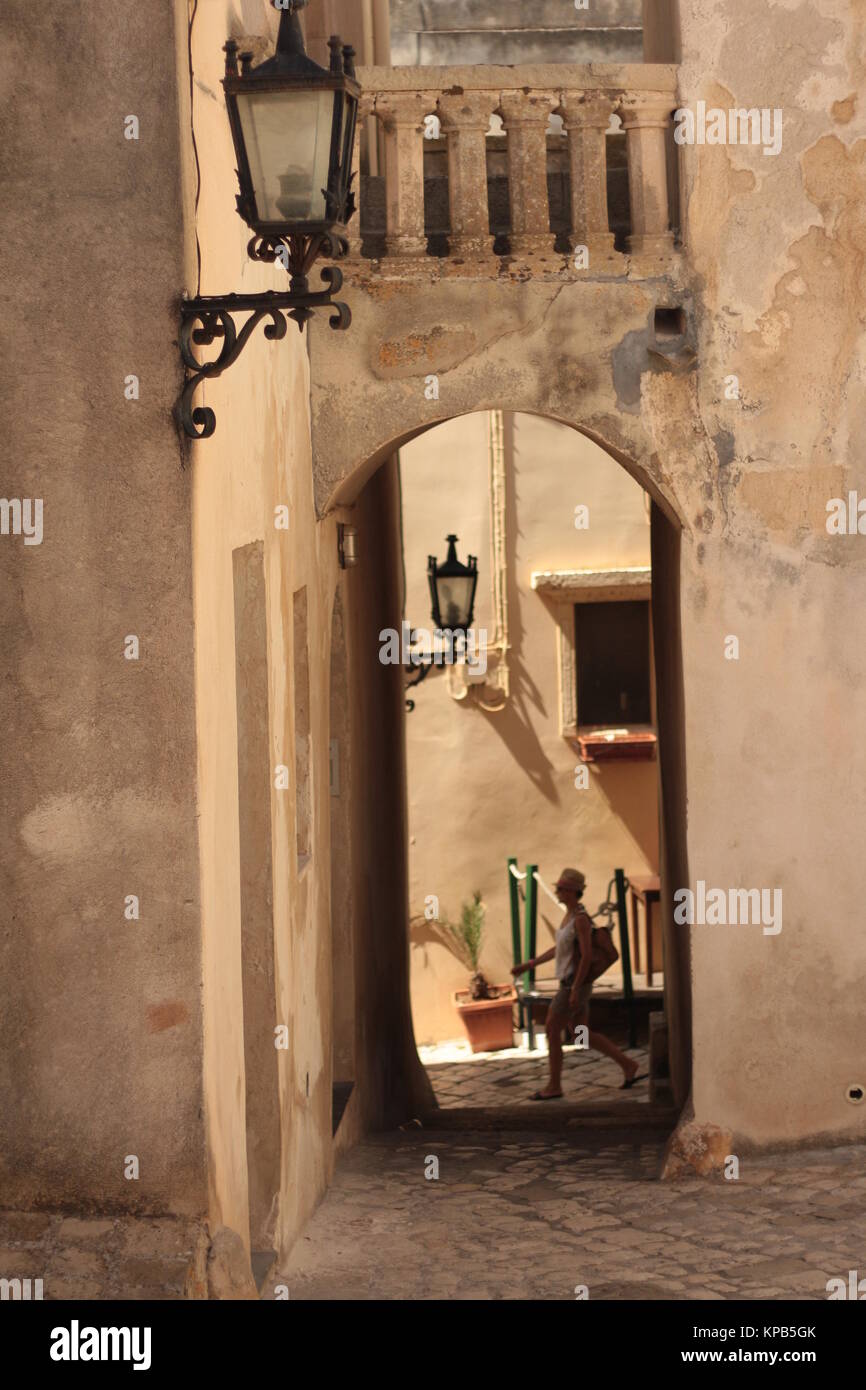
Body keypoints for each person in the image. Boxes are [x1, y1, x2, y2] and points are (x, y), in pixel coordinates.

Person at [511, 868, 643, 1099]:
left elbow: (587, 955)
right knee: (581, 1033)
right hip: (574, 986)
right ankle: (628, 1064)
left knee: (553, 1030)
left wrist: (574, 990)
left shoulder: (580, 919)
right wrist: (529, 965)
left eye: (561, 888)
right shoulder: (569, 916)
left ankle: (554, 1086)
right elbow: (559, 949)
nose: (557, 891)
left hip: (572, 985)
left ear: (572, 891)